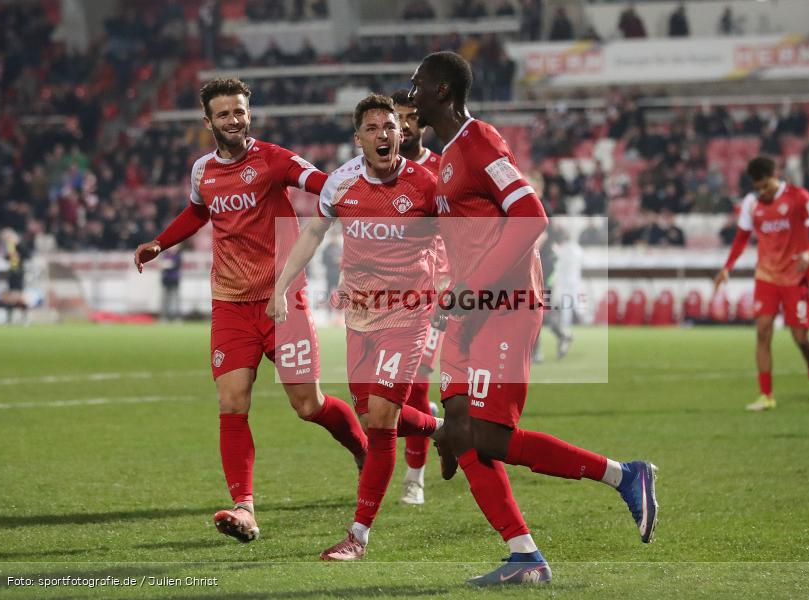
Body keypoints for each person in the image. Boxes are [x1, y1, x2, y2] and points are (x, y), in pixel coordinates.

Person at [409, 51, 658, 586]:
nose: (411, 94)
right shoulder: (447, 155)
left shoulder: (480, 142)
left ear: (444, 92)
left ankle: (624, 476)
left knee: (491, 439)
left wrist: (472, 290)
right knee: (457, 428)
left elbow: (531, 216)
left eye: (418, 86)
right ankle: (524, 556)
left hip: (504, 305)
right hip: (467, 312)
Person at [133, 77, 368, 543]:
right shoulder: (203, 171)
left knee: (308, 405)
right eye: (224, 114)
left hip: (282, 301)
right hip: (230, 305)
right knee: (231, 402)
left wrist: (354, 197)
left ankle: (363, 448)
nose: (234, 120)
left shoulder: (273, 158)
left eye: (239, 111)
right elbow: (199, 211)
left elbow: (319, 183)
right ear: (209, 122)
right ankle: (245, 508)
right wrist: (162, 242)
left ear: (248, 113)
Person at [269, 94, 444, 561]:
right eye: (373, 128)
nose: (384, 134)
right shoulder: (341, 183)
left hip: (409, 315)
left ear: (401, 134)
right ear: (359, 138)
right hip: (360, 316)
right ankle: (446, 432)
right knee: (369, 416)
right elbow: (312, 234)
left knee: (382, 424)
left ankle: (358, 537)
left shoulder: (426, 185)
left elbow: (458, 240)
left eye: (391, 127)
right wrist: (281, 285)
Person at [714, 156, 809, 411]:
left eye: (766, 186)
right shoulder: (751, 203)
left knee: (800, 337)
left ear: (775, 175)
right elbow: (742, 238)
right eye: (758, 188)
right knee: (763, 331)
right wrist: (727, 267)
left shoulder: (800, 197)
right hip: (766, 276)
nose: (762, 192)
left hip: (795, 277)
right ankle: (766, 395)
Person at [392, 88, 446, 504]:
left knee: (416, 385)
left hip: (431, 295)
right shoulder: (375, 173)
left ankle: (415, 477)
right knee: (380, 392)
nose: (404, 125)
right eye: (397, 118)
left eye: (411, 116)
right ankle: (442, 432)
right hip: (383, 298)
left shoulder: (442, 169)